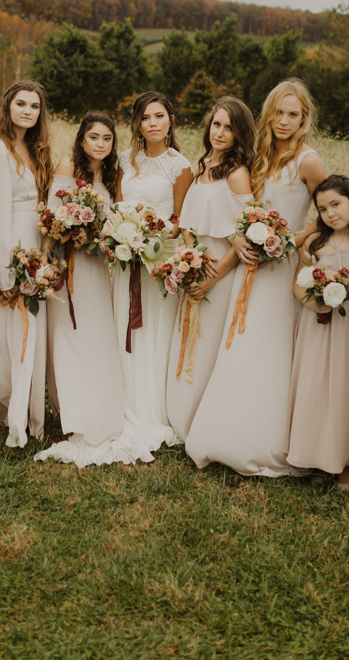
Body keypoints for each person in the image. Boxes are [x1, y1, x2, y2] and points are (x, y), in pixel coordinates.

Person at [186, 79, 326, 475]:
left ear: (304, 118)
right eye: (278, 112)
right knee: (239, 345)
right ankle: (226, 432)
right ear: (268, 114)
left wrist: (285, 241)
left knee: (271, 349)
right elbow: (240, 213)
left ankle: (271, 441)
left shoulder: (308, 161)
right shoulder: (257, 155)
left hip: (281, 269)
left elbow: (329, 214)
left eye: (293, 114)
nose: (284, 121)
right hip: (249, 267)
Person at [36, 112, 155, 466]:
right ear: (82, 139)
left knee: (97, 336)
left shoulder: (112, 174)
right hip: (67, 264)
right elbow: (50, 217)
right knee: (70, 336)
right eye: (93, 137)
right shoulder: (67, 165)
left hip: (96, 266)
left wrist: (105, 235)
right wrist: (48, 259)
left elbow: (114, 219)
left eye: (106, 138)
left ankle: (101, 409)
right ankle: (74, 413)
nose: (100, 144)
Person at [166, 97, 254, 443]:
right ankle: (180, 416)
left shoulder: (237, 175)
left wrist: (211, 278)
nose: (220, 132)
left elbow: (244, 237)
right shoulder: (202, 165)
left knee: (209, 343)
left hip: (221, 268)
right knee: (189, 340)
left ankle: (205, 422)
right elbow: (190, 220)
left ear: (239, 134)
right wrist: (188, 258)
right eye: (216, 124)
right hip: (196, 261)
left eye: (229, 127)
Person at [113, 91, 193, 451]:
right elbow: (116, 207)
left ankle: (154, 408)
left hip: (158, 261)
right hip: (123, 258)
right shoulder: (124, 161)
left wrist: (149, 238)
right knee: (122, 328)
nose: (153, 123)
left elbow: (180, 220)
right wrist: (124, 235)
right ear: (137, 123)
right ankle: (122, 402)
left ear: (170, 120)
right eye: (145, 118)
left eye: (159, 116)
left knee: (155, 332)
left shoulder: (180, 166)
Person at [0, 81, 52, 447]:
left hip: (36, 245)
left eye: (34, 106)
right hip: (11, 252)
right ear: (8, 107)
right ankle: (14, 416)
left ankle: (25, 411)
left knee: (29, 337)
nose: (27, 111)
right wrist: (5, 271)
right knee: (11, 338)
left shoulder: (34, 148)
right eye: (21, 104)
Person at [286, 174, 349, 487]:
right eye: (322, 209)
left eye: (336, 204)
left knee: (348, 392)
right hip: (318, 325)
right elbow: (298, 285)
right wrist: (316, 302)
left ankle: (346, 463)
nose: (330, 213)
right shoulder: (315, 243)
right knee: (317, 389)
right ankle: (317, 458)